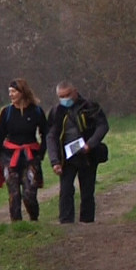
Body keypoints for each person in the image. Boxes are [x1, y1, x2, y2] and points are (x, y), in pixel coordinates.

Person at [47, 81, 109, 224]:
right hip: (66, 157)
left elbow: (103, 126)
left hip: (87, 155)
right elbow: (51, 136)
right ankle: (66, 224)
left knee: (87, 191)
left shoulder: (89, 106)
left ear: (75, 91)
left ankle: (87, 223)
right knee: (66, 191)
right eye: (61, 97)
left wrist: (90, 144)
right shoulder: (56, 111)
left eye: (67, 95)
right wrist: (54, 161)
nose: (65, 99)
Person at [0, 78, 49, 222]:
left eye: (14, 91)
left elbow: (46, 134)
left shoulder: (36, 111)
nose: (11, 95)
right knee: (14, 194)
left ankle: (34, 219)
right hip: (9, 158)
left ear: (22, 92)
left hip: (30, 157)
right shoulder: (6, 112)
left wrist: (41, 153)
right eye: (9, 92)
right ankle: (16, 225)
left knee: (29, 194)